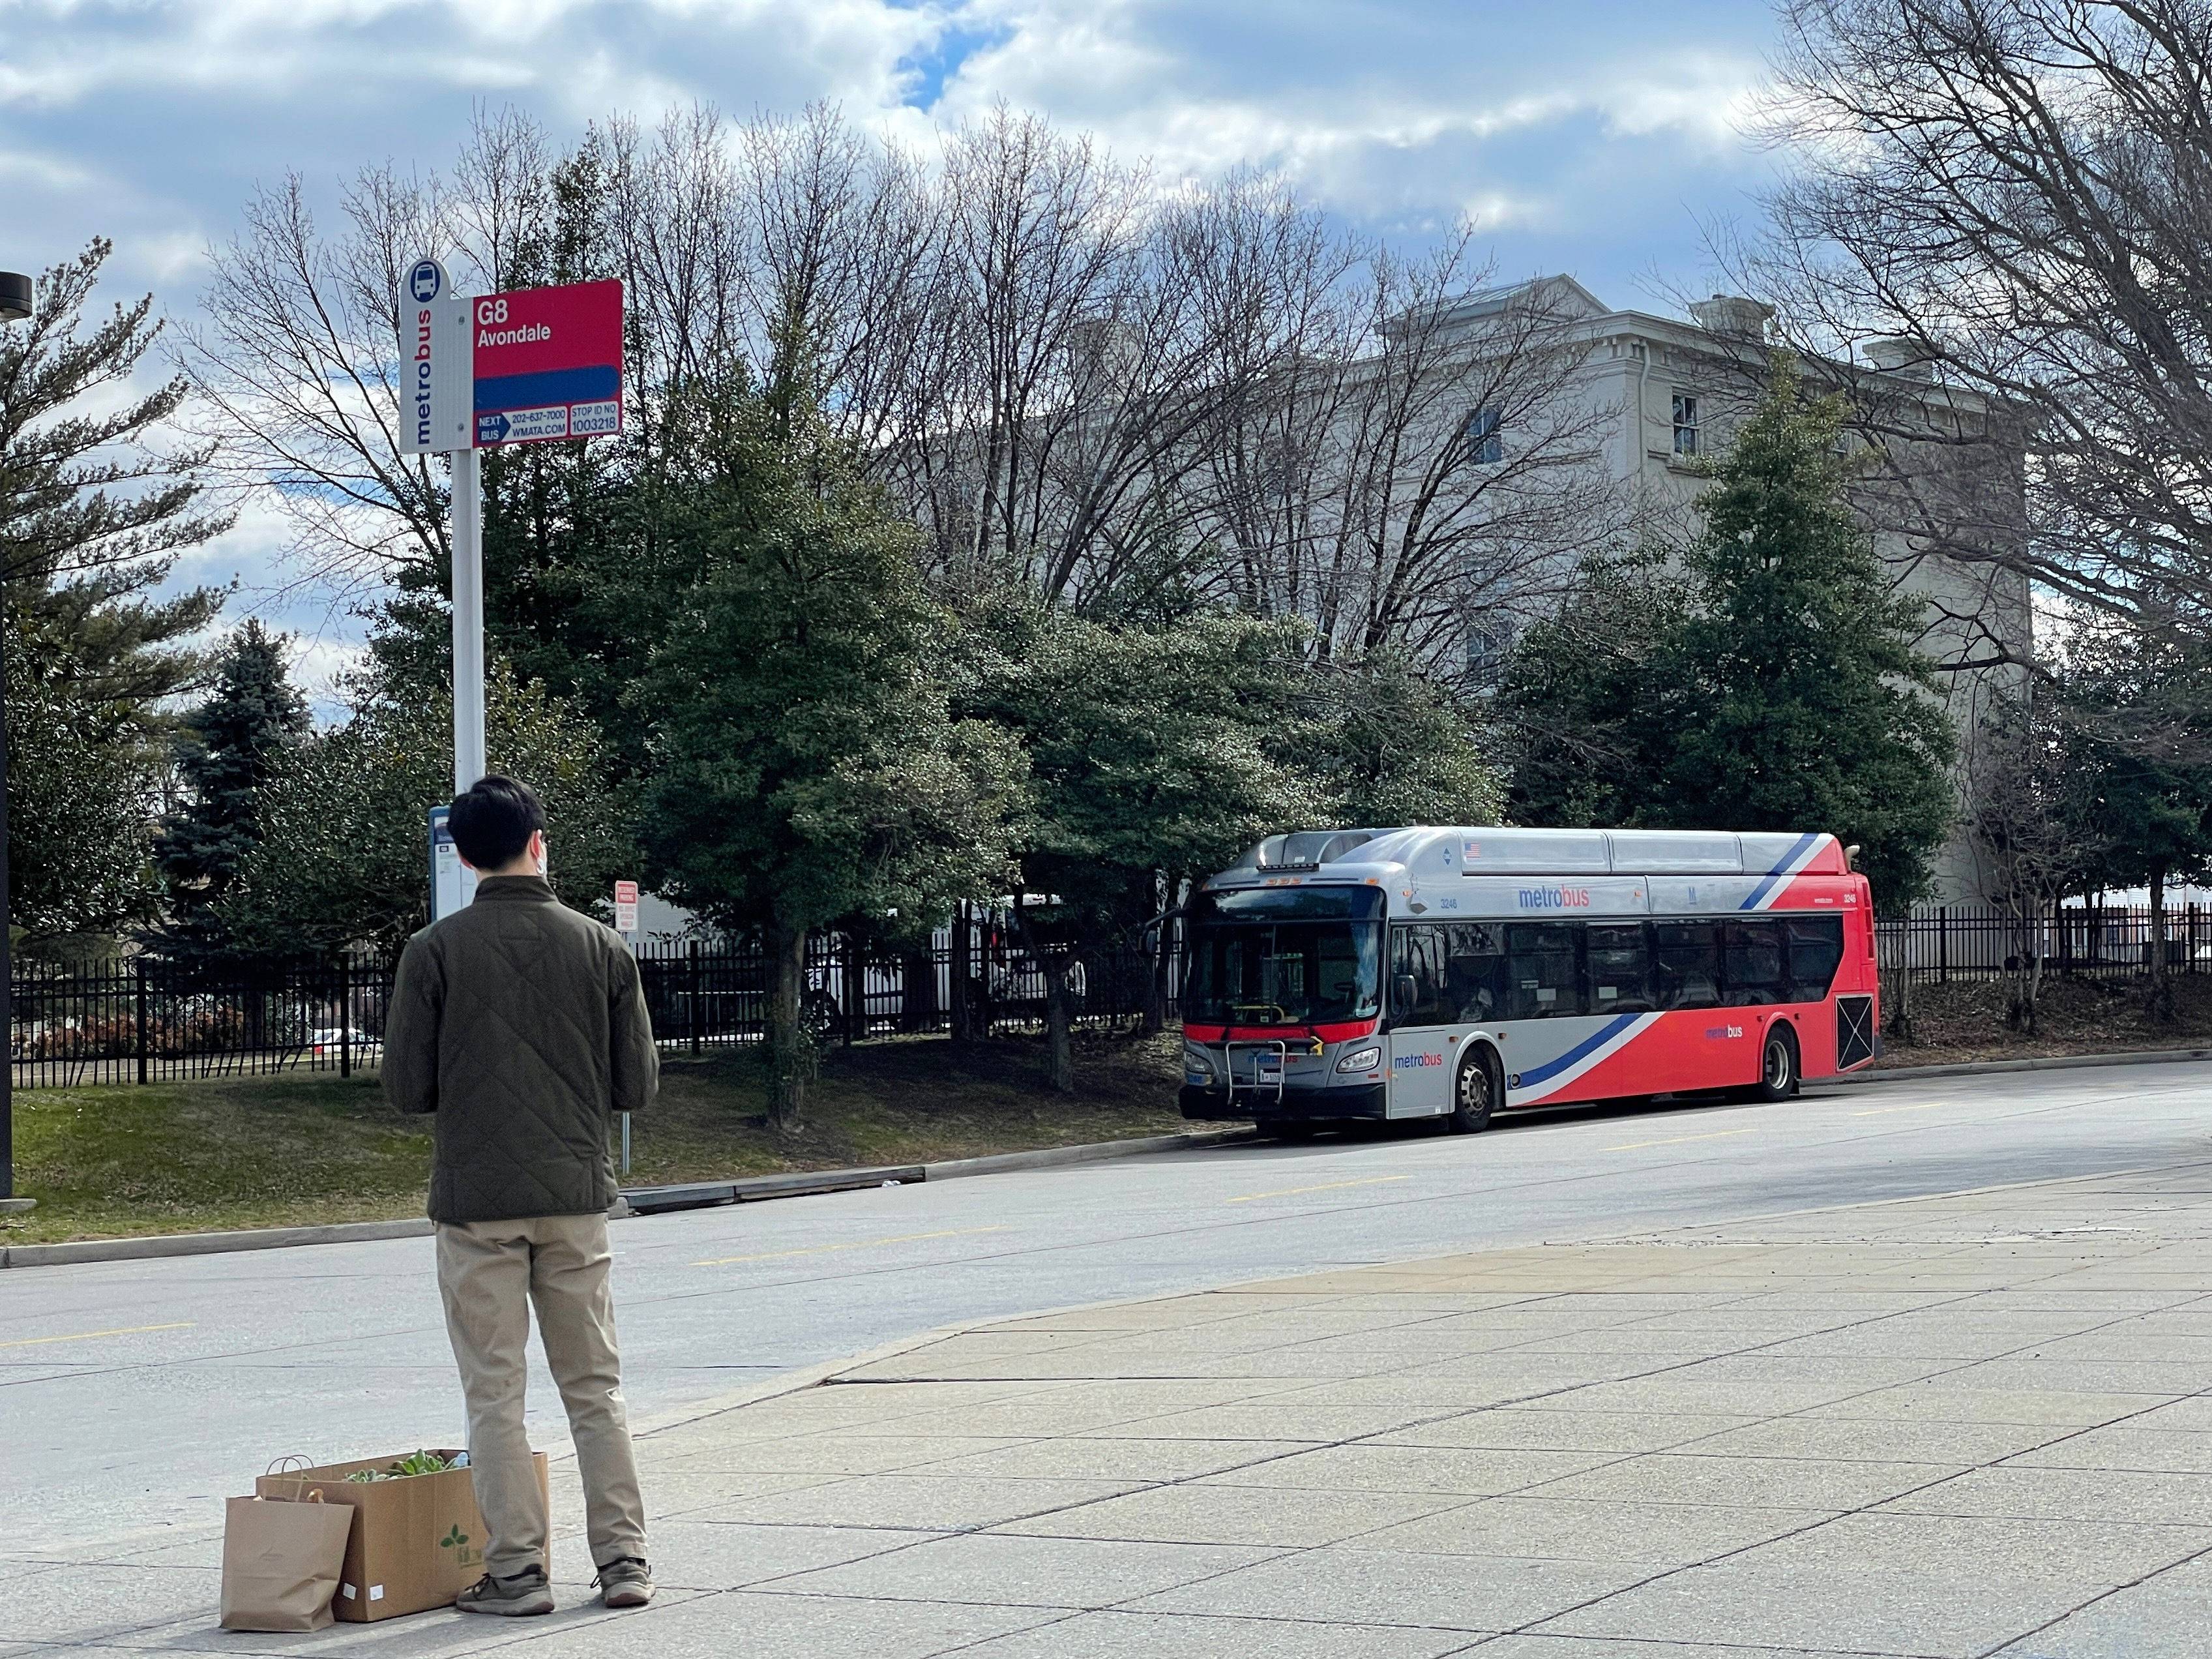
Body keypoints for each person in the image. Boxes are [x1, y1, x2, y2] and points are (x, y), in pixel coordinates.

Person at [383, 775, 658, 1616]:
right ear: (540, 842)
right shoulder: (601, 948)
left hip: (475, 1203)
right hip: (576, 1195)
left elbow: (406, 1089)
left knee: (495, 1393)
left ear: (464, 857)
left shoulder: (434, 951)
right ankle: (623, 1563)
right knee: (595, 1385)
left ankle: (518, 1573)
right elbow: (637, 1085)